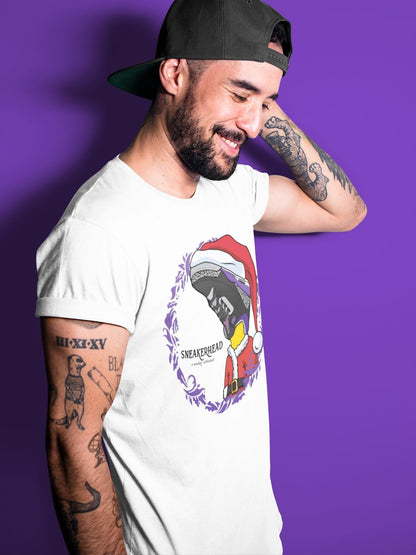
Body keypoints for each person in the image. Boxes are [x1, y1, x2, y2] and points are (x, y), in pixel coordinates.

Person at [36, 0, 366, 553]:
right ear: (174, 74)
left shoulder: (230, 189)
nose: (253, 125)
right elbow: (73, 444)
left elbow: (346, 211)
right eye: (238, 94)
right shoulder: (99, 230)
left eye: (267, 103)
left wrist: (257, 105)